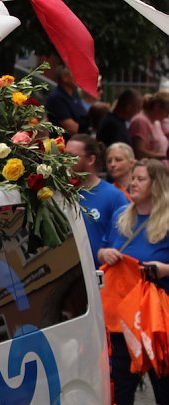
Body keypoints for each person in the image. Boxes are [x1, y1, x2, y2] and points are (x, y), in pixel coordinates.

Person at [97, 159, 169, 405]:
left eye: (141, 179)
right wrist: (105, 255)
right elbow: (102, 249)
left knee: (163, 382)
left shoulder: (165, 221)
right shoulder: (121, 217)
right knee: (123, 380)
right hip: (121, 314)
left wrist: (163, 269)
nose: (134, 183)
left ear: (157, 184)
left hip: (154, 316)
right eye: (134, 178)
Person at [66, 134, 129, 265]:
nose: (65, 161)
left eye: (71, 157)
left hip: (102, 277)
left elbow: (125, 241)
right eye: (64, 155)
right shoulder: (63, 193)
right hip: (69, 278)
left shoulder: (113, 196)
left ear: (90, 160)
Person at [45, 65, 88, 137]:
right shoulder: (57, 98)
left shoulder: (74, 96)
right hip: (65, 144)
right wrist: (88, 132)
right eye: (75, 74)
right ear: (64, 78)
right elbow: (71, 128)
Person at [129, 92, 169, 160]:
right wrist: (164, 157)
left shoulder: (156, 123)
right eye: (167, 111)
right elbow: (139, 152)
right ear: (157, 106)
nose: (167, 116)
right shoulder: (140, 121)